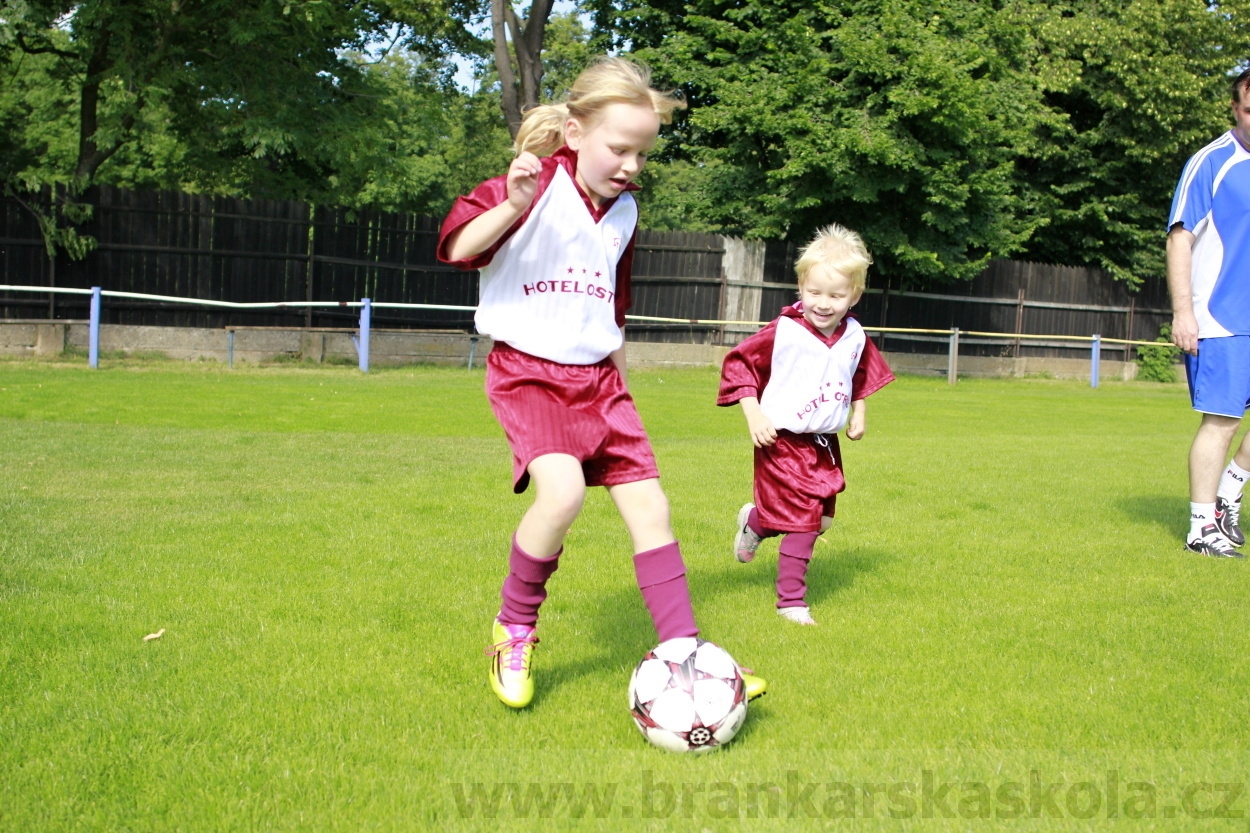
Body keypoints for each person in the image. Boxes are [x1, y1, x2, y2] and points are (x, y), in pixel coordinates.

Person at [437, 57, 766, 708]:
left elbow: (609, 311)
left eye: (642, 154)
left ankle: (688, 657)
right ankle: (515, 630)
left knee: (652, 508)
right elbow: (457, 248)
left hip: (600, 380)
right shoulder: (527, 186)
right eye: (620, 148)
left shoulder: (624, 215)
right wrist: (513, 205)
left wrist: (619, 385)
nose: (631, 165)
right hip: (529, 373)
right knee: (560, 496)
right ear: (574, 131)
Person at [718, 224, 894, 624]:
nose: (824, 303)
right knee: (803, 524)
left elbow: (861, 373)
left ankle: (756, 522)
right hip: (781, 441)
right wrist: (753, 413)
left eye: (836, 295)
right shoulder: (784, 331)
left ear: (855, 295)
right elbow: (739, 365)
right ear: (801, 286)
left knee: (822, 520)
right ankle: (791, 603)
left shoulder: (854, 335)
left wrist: (860, 412)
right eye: (815, 292)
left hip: (825, 444)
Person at [1167, 67, 1250, 558]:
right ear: (1236, 108)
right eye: (1248, 108)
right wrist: (1184, 313)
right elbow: (1180, 237)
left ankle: (1229, 493)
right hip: (1221, 318)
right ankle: (1201, 528)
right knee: (1221, 422)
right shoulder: (1212, 162)